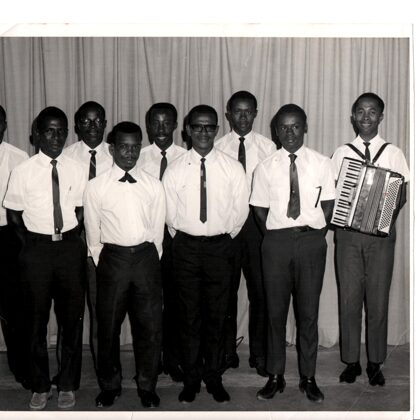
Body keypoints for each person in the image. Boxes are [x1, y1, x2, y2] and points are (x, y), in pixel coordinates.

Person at [162, 105, 249, 404]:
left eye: (209, 127)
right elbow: (170, 216)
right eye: (197, 127)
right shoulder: (175, 169)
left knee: (217, 316)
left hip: (220, 248)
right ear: (186, 129)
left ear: (217, 130)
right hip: (185, 248)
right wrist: (189, 239)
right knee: (188, 317)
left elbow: (239, 213)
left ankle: (213, 375)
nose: (203, 132)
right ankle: (191, 378)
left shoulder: (232, 168)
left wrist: (219, 239)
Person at [250, 104, 335, 403]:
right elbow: (259, 209)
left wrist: (313, 235)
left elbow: (328, 204)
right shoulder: (265, 166)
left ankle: (308, 377)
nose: (289, 132)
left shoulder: (322, 163)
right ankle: (275, 376)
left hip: (311, 242)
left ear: (305, 127)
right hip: (275, 243)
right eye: (283, 127)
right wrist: (277, 236)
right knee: (275, 313)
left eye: (295, 126)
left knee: (308, 313)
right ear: (275, 130)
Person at [4, 106, 86, 410]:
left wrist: (67, 240)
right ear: (36, 134)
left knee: (71, 321)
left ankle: (67, 383)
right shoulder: (22, 171)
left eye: (61, 130)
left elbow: (79, 209)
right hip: (36, 250)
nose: (56, 136)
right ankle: (39, 385)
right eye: (49, 130)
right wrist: (34, 245)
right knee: (34, 322)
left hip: (68, 249)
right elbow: (14, 215)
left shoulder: (76, 168)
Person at [83, 121, 165, 409]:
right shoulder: (95, 187)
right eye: (123, 147)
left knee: (150, 327)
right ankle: (110, 385)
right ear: (112, 148)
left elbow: (157, 231)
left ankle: (147, 385)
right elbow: (92, 233)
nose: (129, 153)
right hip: (112, 260)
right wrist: (105, 260)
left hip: (145, 258)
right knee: (107, 329)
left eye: (134, 147)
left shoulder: (154, 185)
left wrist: (147, 259)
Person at [331, 92, 409, 386]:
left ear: (381, 117)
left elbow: (401, 192)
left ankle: (375, 362)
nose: (366, 117)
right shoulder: (341, 152)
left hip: (381, 238)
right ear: (353, 116)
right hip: (348, 237)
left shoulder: (393, 152)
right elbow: (333, 191)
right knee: (349, 298)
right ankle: (351, 361)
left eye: (372, 112)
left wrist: (381, 216)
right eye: (360, 112)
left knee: (377, 299)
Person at [215, 90, 276, 376]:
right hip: (226, 224)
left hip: (256, 225)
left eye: (248, 111)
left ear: (255, 113)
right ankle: (226, 351)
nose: (242, 117)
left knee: (260, 291)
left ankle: (259, 353)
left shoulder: (268, 148)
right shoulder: (216, 147)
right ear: (228, 114)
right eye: (237, 111)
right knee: (225, 291)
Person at [62, 101, 112, 370]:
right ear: (76, 124)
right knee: (70, 314)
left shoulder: (117, 155)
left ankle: (104, 372)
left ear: (105, 123)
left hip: (103, 245)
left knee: (100, 311)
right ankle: (68, 375)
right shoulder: (66, 155)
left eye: (98, 121)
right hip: (71, 243)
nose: (92, 127)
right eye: (86, 121)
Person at [139, 102, 186, 382]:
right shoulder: (138, 156)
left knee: (177, 302)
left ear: (176, 125)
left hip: (177, 239)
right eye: (155, 123)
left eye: (166, 122)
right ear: (147, 126)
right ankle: (152, 358)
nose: (160, 129)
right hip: (147, 238)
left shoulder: (186, 157)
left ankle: (174, 358)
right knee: (149, 303)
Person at [0, 105, 30, 389]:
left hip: (7, 237)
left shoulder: (20, 158)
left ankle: (20, 366)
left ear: (5, 125)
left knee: (13, 307)